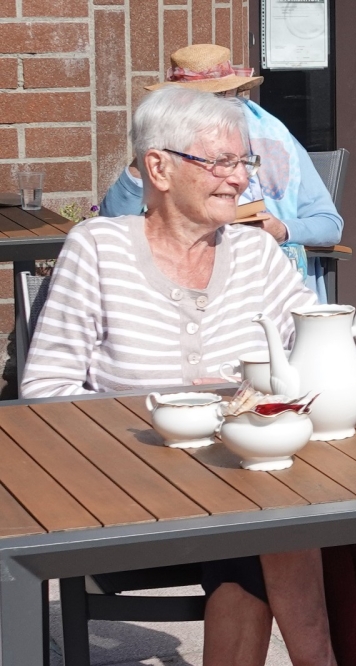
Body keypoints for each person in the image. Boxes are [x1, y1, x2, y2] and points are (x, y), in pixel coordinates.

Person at [21, 86, 337, 666]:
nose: (238, 179)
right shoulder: (98, 249)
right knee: (273, 524)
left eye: (243, 161)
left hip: (242, 487)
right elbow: (45, 394)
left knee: (271, 516)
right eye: (219, 161)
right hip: (126, 494)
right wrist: (163, 426)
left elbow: (313, 360)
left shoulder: (259, 255)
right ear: (158, 168)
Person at [99, 44, 343, 302]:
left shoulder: (276, 142)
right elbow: (112, 222)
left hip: (261, 287)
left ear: (234, 94)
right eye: (194, 103)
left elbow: (330, 224)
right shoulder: (169, 149)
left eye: (215, 98)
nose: (238, 177)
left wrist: (281, 229)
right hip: (179, 285)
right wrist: (144, 159)